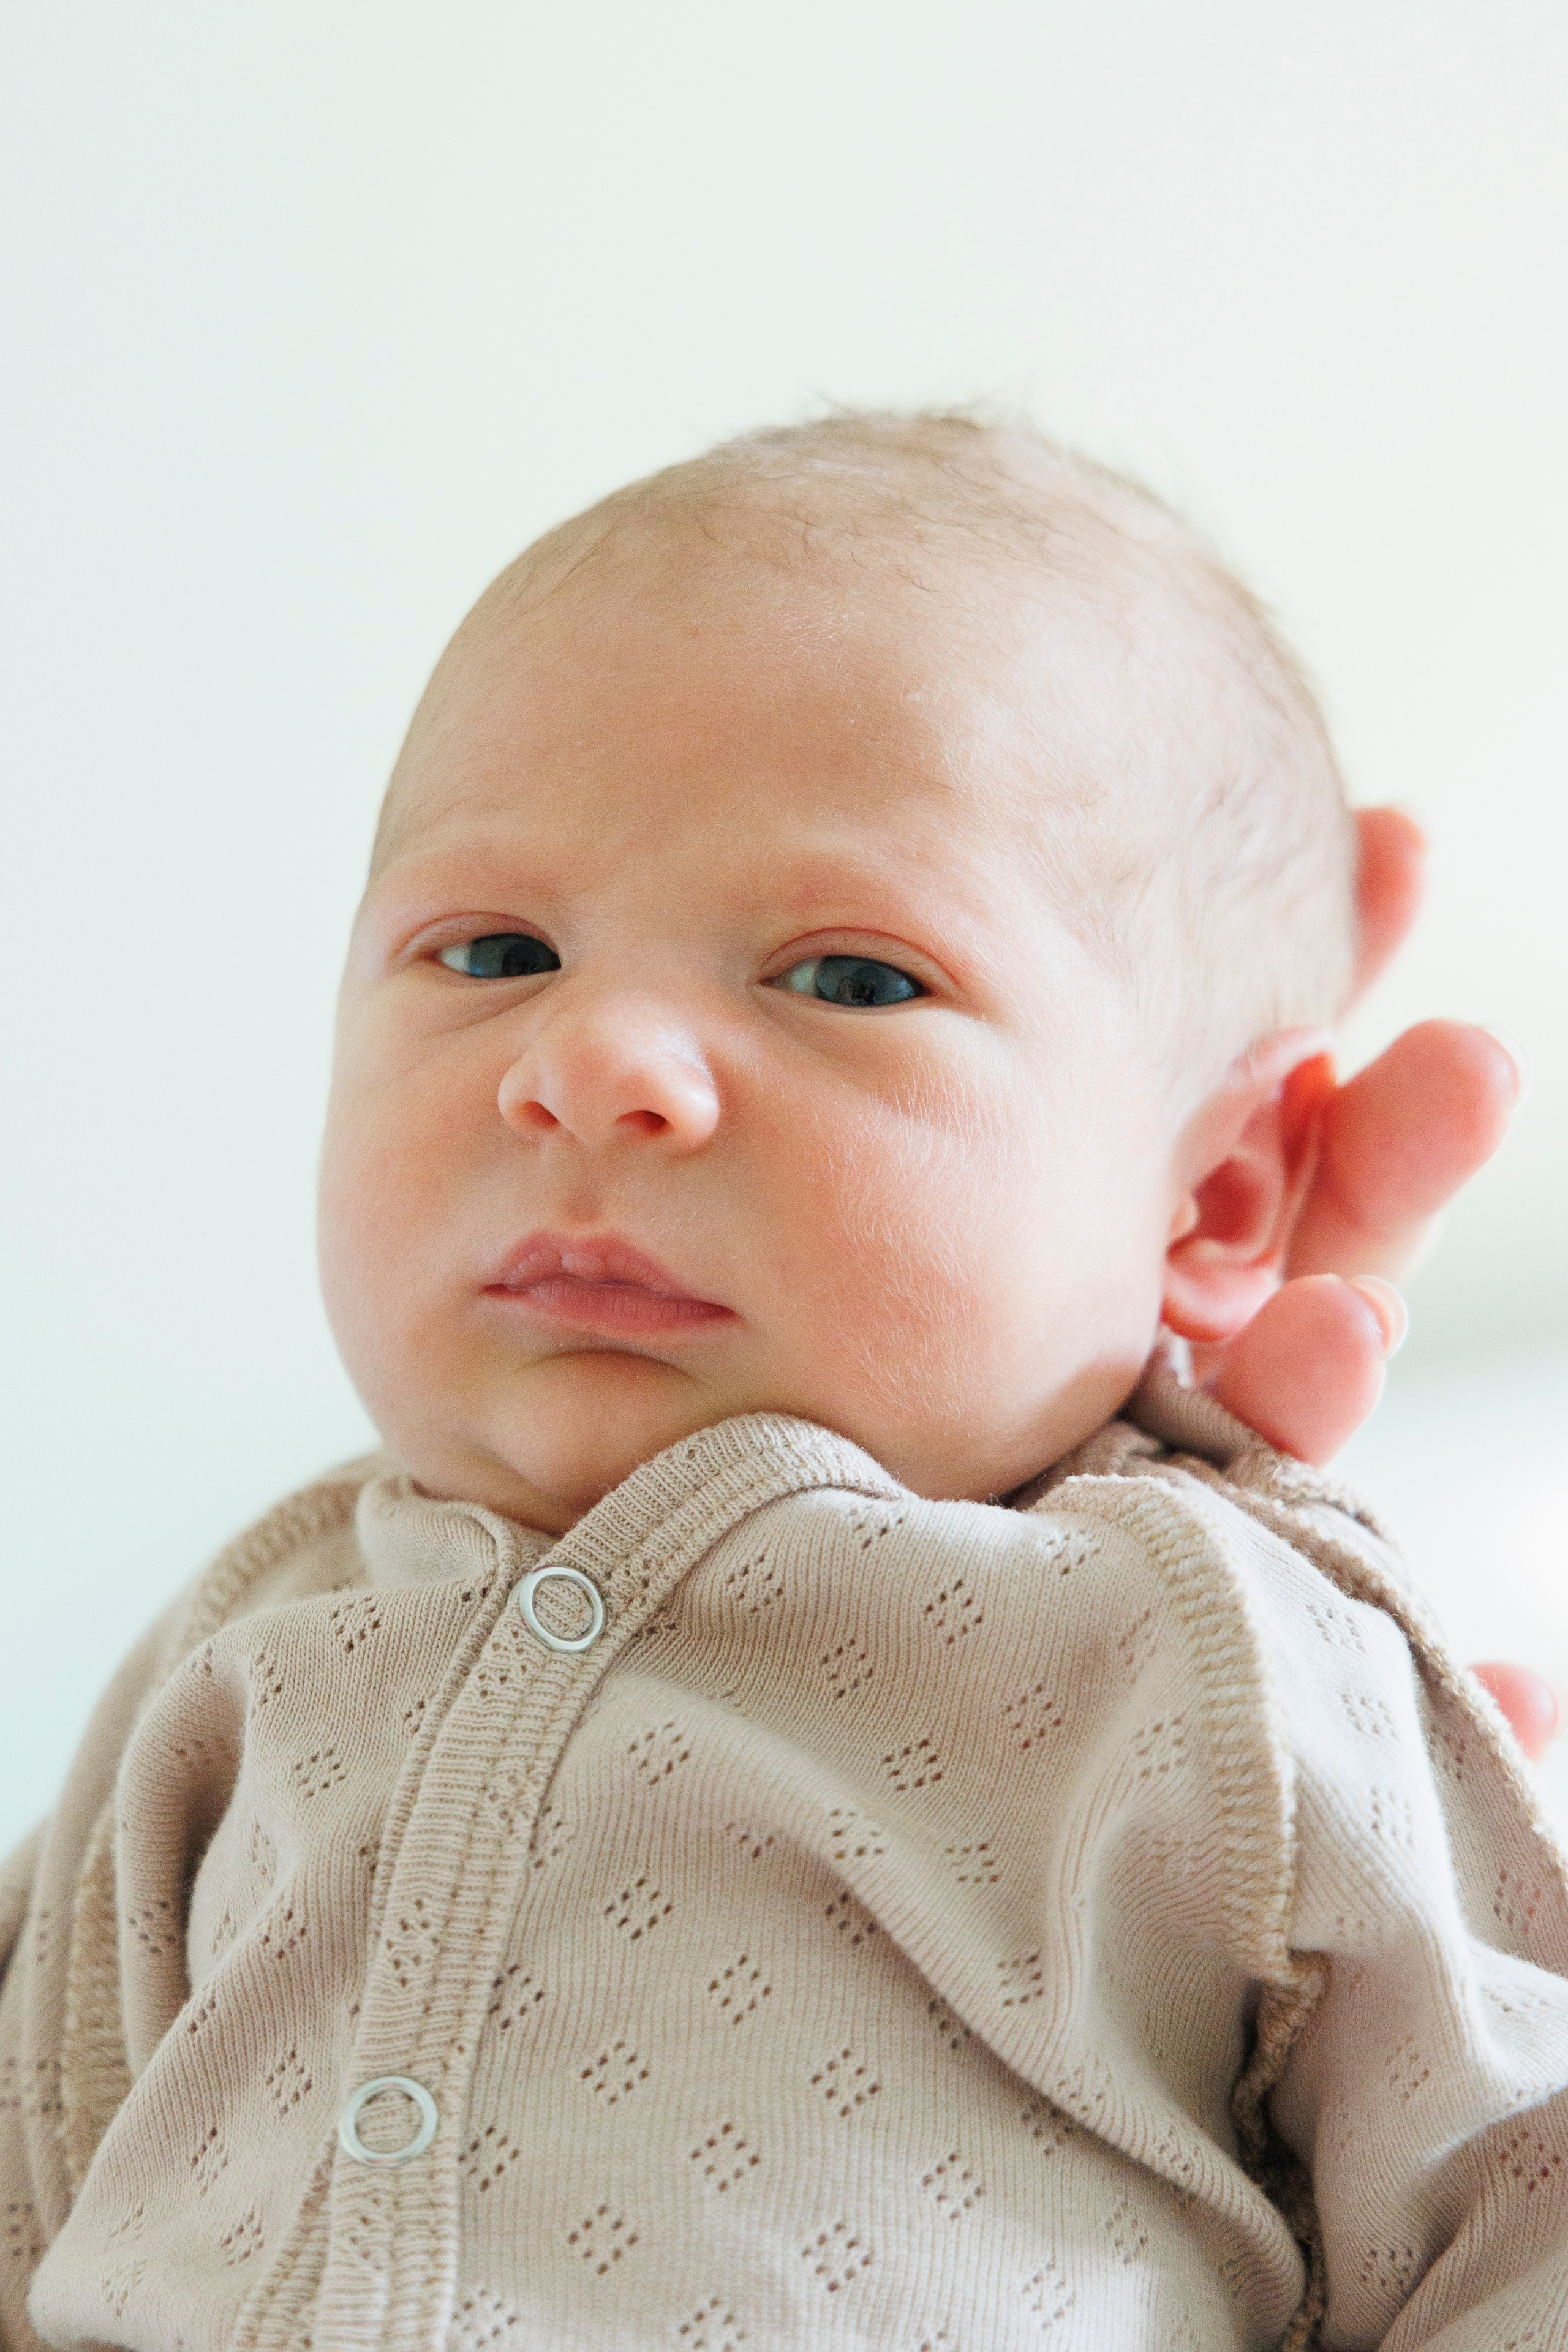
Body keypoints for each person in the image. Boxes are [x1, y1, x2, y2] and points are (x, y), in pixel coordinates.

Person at [4, 413, 1563, 2351]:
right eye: (493, 949)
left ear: (1218, 1188)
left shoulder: (1210, 1660)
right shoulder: (243, 1652)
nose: (590, 1067)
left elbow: (1523, 2220)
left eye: (845, 979)